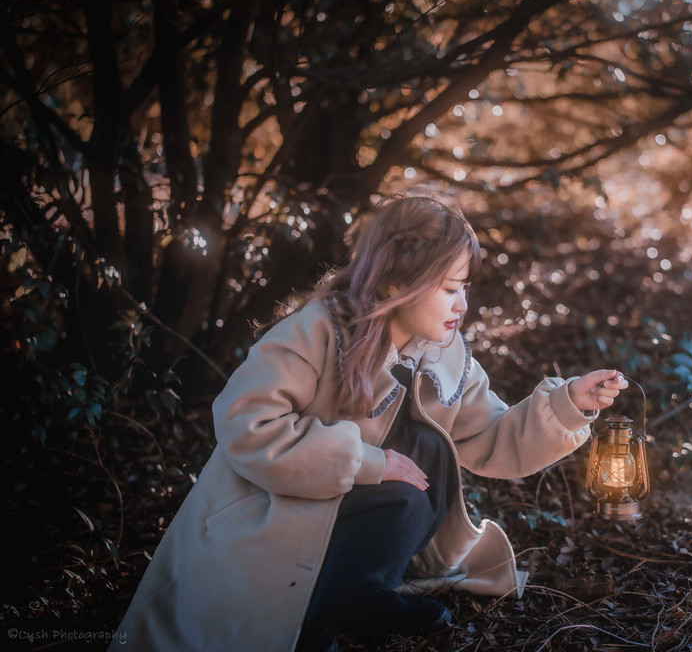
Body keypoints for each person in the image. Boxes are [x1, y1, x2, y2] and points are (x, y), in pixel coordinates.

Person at [111, 193, 628, 651]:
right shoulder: (314, 332)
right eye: (450, 289)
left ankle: (356, 594)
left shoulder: (447, 355)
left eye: (465, 287)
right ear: (397, 284)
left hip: (345, 525)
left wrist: (570, 403)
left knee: (432, 456)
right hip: (268, 529)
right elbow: (249, 425)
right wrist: (366, 461)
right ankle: (308, 615)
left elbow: (492, 439)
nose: (463, 305)